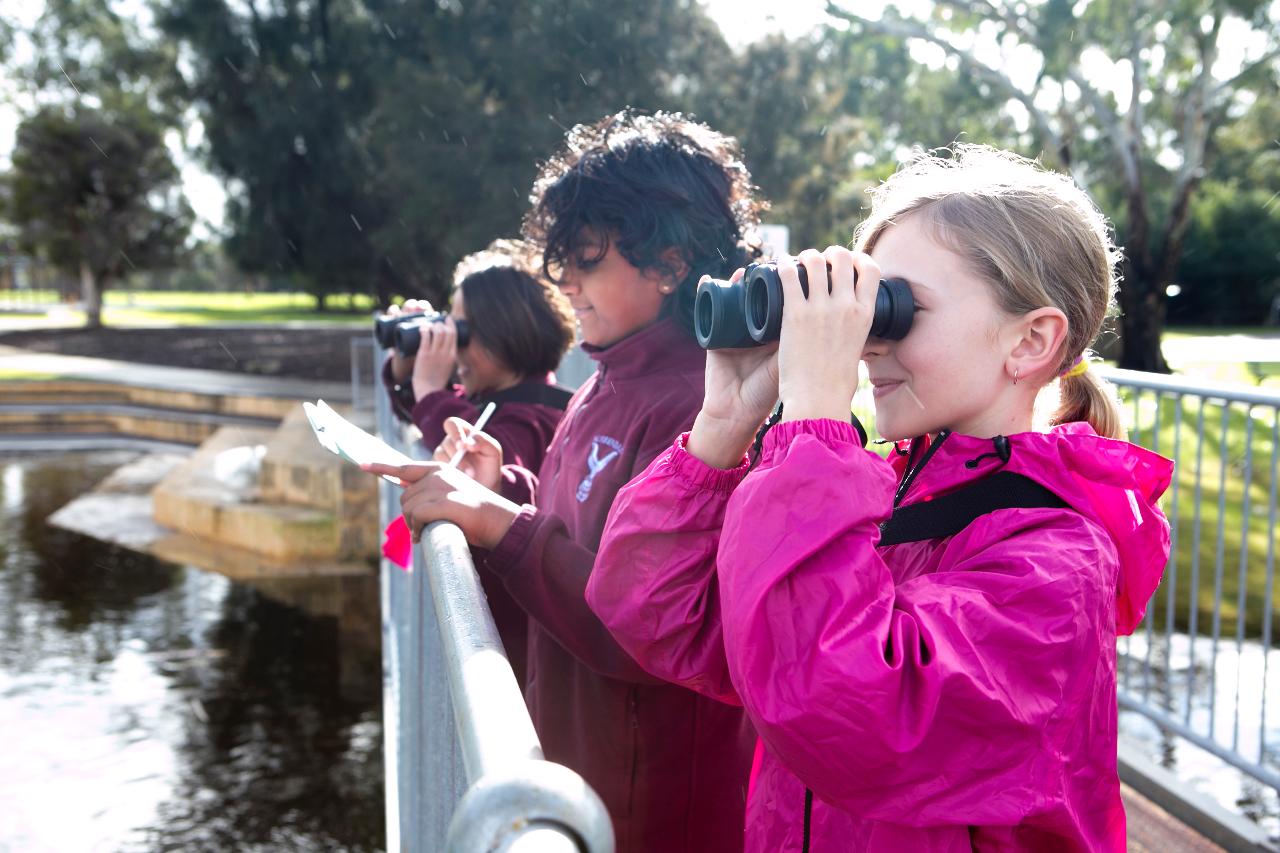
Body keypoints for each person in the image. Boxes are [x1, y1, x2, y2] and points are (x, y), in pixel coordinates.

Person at [585, 145, 1174, 851]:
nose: (865, 346)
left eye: (894, 311)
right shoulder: (879, 502)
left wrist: (813, 427)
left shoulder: (1056, 563)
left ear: (1030, 342)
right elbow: (658, 614)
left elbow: (845, 704)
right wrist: (722, 427)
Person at [365, 110, 767, 852]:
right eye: (564, 259)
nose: (567, 282)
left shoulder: (702, 402)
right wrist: (509, 485)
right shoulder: (604, 379)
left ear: (671, 262)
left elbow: (641, 627)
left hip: (651, 805)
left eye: (588, 259)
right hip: (582, 773)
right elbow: (586, 534)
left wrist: (497, 522)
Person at [380, 238, 575, 686]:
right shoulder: (502, 400)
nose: (455, 348)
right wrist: (407, 374)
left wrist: (432, 391)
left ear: (502, 334)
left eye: (461, 332)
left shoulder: (528, 420)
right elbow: (444, 420)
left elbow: (468, 451)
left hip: (509, 662)